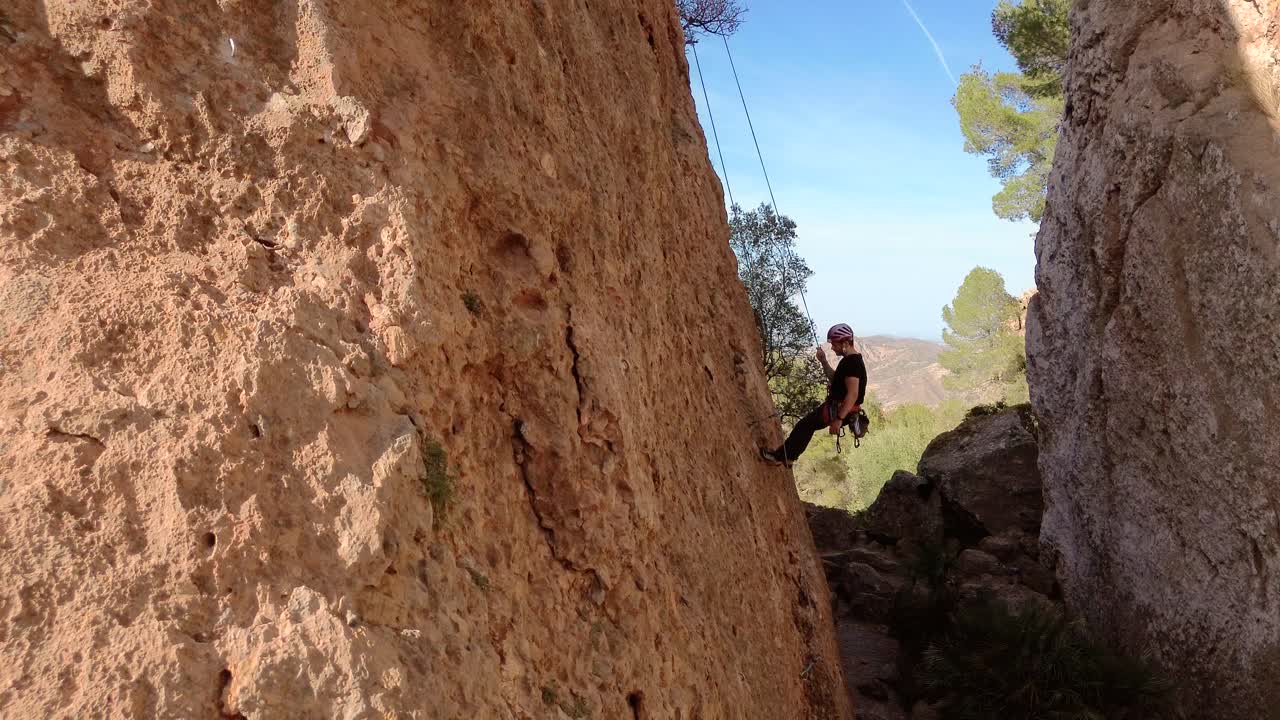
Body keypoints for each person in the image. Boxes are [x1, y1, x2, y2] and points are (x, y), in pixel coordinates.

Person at [760, 323, 867, 466]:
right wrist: (823, 361)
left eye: (834, 344)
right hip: (838, 408)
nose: (833, 348)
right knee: (806, 426)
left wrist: (839, 419)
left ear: (846, 343)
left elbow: (852, 395)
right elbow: (835, 379)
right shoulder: (850, 361)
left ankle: (783, 457)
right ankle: (786, 456)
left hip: (840, 410)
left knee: (805, 426)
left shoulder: (853, 363)